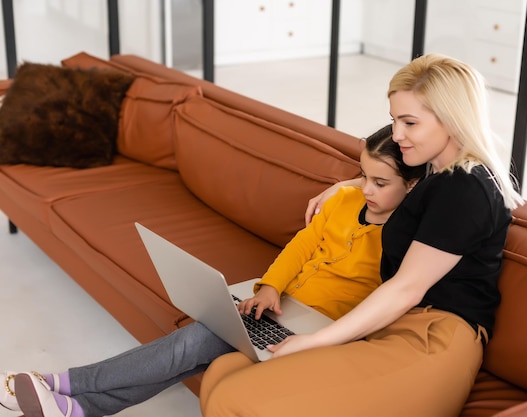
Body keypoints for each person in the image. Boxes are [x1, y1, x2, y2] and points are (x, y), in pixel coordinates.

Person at [3, 123, 425, 417]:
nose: (366, 189)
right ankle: (76, 407)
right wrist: (270, 287)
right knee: (193, 352)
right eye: (362, 175)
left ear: (413, 186)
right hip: (276, 306)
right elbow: (300, 246)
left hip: (318, 330)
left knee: (192, 343)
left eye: (380, 183)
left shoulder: (410, 237)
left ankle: (65, 384)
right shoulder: (344, 201)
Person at [198, 53, 525, 417]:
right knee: (222, 372)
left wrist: (314, 342)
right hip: (391, 325)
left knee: (234, 399)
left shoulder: (465, 188)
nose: (397, 134)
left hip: (432, 338)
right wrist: (349, 184)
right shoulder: (437, 172)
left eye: (409, 122)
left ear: (451, 118)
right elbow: (400, 188)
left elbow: (407, 288)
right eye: (394, 120)